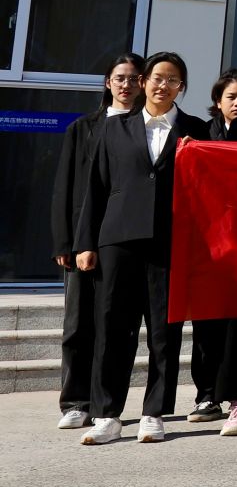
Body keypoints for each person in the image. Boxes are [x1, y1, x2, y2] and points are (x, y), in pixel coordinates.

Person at [74, 51, 207, 445]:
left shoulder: (196, 130)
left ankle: (154, 413)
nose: (164, 85)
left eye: (173, 80)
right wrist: (85, 242)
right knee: (112, 327)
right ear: (143, 81)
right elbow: (95, 188)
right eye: (157, 78)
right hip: (118, 240)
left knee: (164, 331)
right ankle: (107, 414)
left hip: (172, 242)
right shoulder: (114, 127)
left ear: (182, 87)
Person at [51, 53, 142, 432]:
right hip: (83, 239)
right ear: (108, 82)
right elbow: (65, 186)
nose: (127, 84)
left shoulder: (147, 128)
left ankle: (106, 403)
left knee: (116, 327)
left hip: (124, 240)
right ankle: (76, 401)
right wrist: (65, 241)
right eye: (120, 78)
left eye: (134, 78)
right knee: (78, 324)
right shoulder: (83, 128)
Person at [192, 70, 237, 433]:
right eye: (231, 97)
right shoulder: (200, 134)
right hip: (207, 243)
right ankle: (206, 394)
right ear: (218, 101)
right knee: (206, 322)